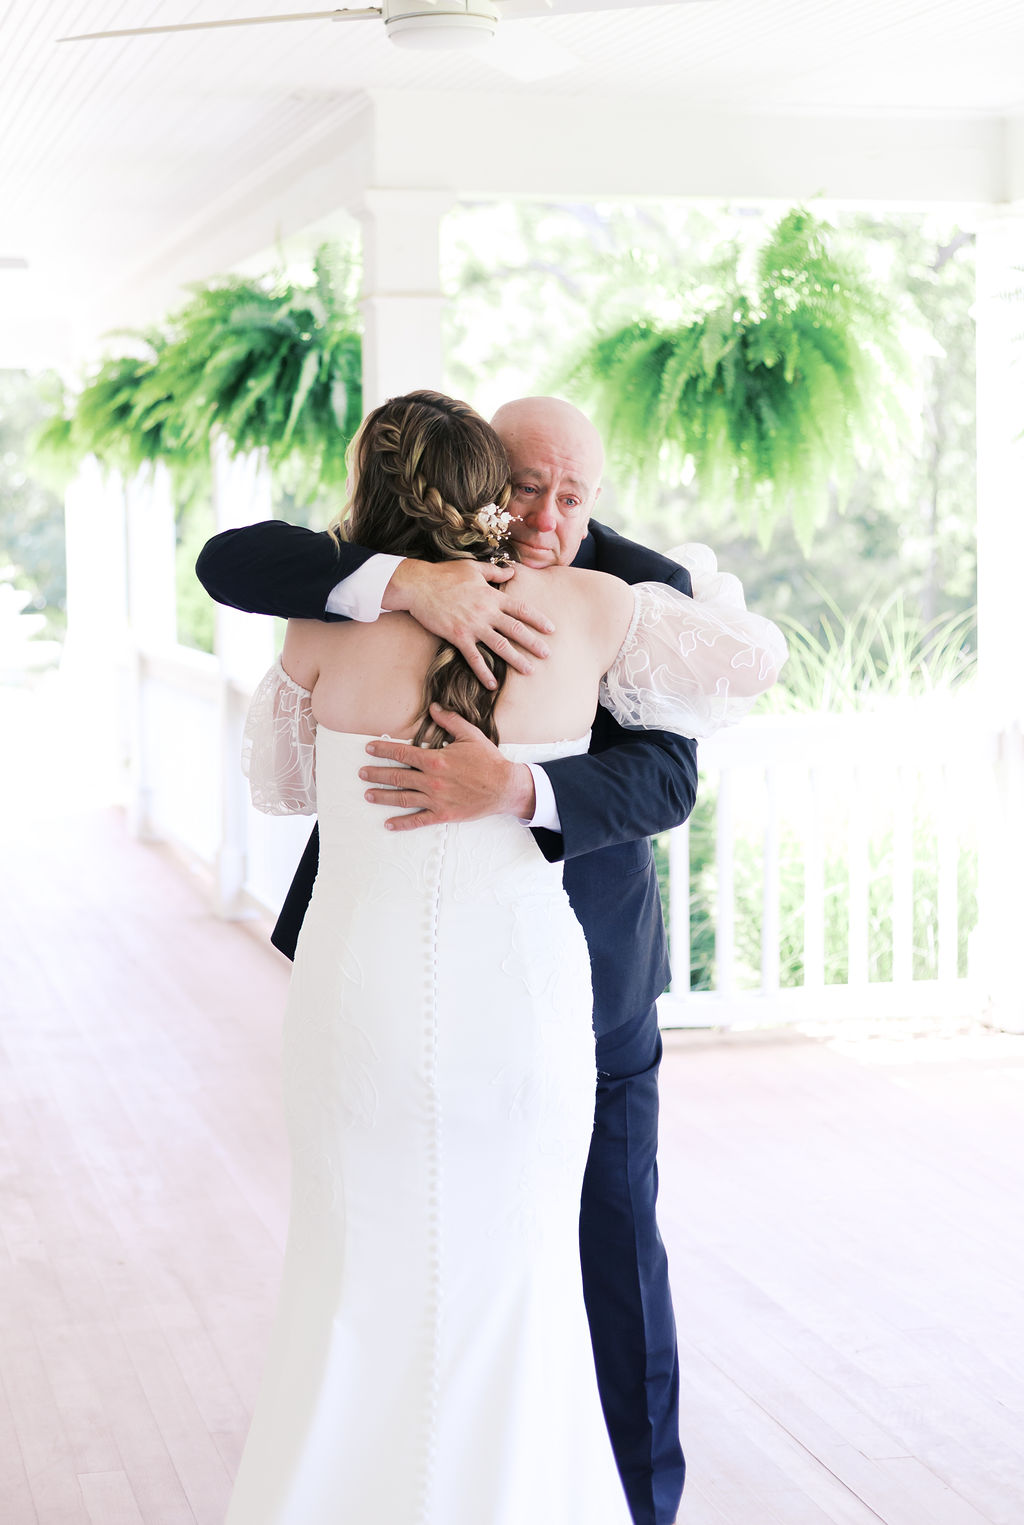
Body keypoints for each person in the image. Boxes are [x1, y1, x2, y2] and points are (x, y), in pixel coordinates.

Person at [197, 394, 785, 1525]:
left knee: (603, 1269)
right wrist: (405, 581)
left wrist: (522, 789)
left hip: (576, 989)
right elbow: (233, 556)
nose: (549, 513)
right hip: (474, 982)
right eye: (526, 488)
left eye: (575, 494)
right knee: (444, 1270)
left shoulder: (627, 585)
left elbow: (670, 776)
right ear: (478, 476)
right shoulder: (384, 581)